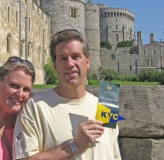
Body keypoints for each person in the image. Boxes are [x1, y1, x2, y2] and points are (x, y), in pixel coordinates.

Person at [13, 29, 121, 160]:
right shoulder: (35, 107)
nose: (70, 64)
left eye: (76, 56)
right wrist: (75, 147)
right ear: (55, 66)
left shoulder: (107, 106)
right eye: (63, 58)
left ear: (87, 62)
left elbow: (114, 154)